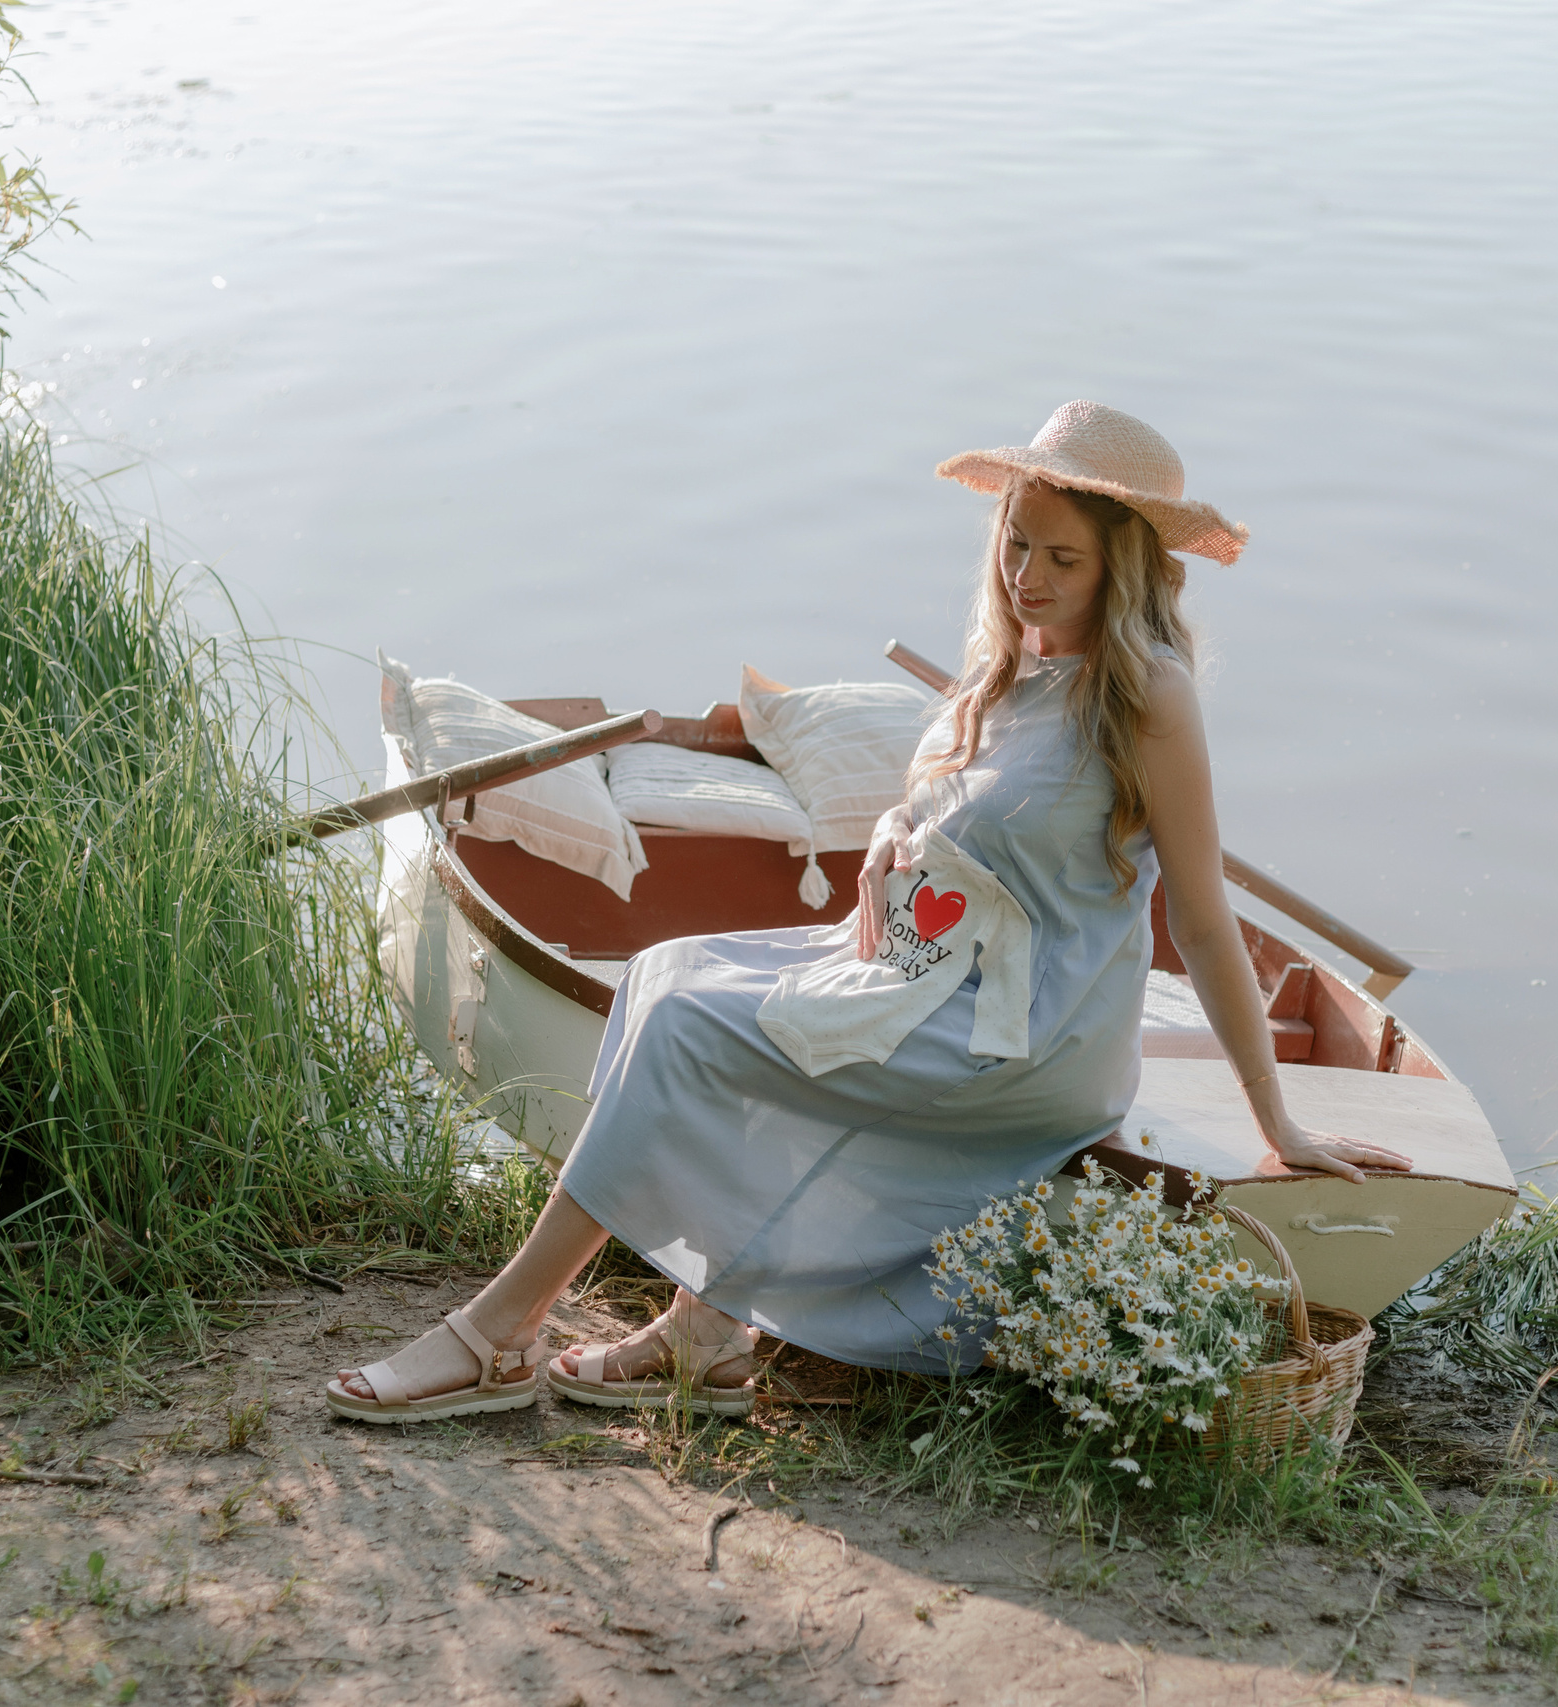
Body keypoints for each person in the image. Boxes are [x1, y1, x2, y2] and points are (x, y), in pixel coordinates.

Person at [324, 400, 1414, 1423]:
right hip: (931, 968)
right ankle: (707, 1326)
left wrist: (1278, 1124)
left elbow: (1208, 919)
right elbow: (971, 817)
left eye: (1060, 558)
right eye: (1015, 542)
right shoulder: (1017, 668)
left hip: (1028, 1034)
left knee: (685, 1025)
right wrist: (900, 834)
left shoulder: (1146, 696)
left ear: (1121, 564)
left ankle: (496, 1331)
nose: (1026, 576)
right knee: (665, 969)